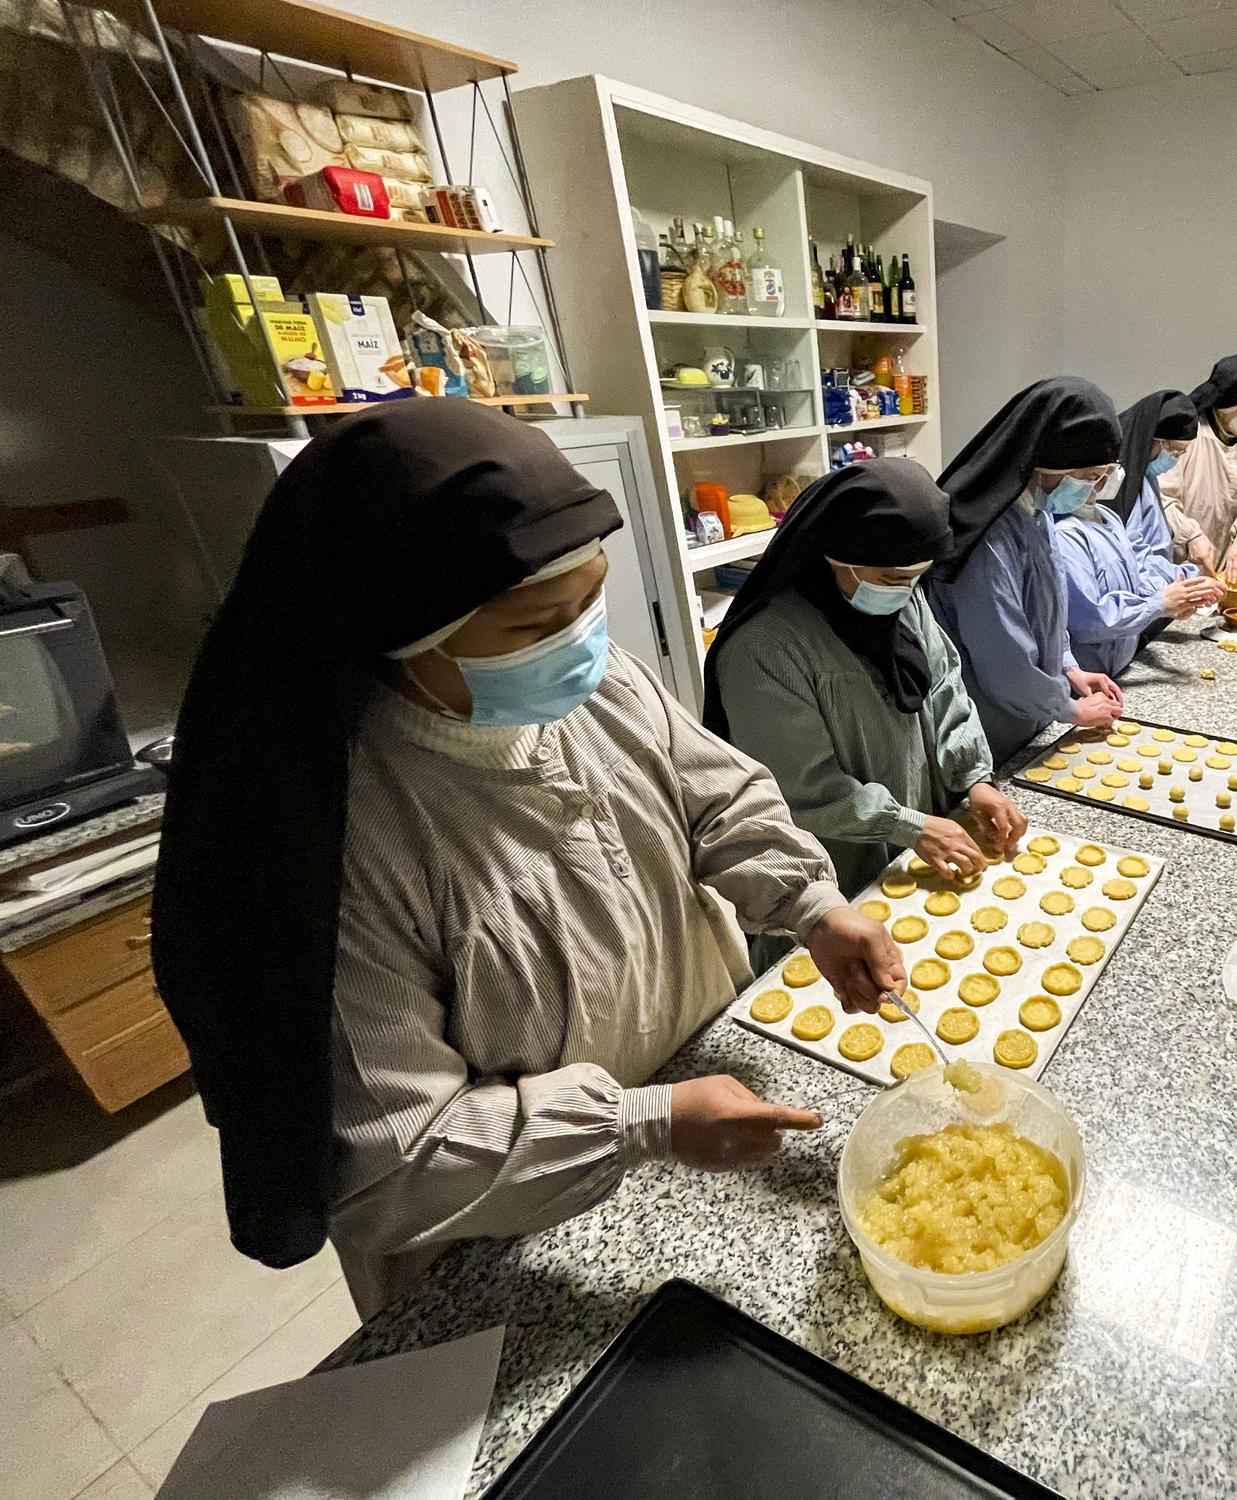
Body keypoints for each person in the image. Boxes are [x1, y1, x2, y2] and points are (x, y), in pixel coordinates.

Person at [151, 402, 904, 1314]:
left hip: (699, 1102)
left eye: (591, 597)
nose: (582, 640)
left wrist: (813, 906)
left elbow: (717, 795)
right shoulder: (343, 843)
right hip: (511, 1232)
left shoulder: (596, 680)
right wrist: (636, 1124)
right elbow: (396, 1154)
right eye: (532, 625)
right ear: (404, 637)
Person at [704, 457, 1029, 893]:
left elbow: (945, 689)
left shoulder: (901, 602)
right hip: (835, 861)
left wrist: (975, 780)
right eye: (892, 577)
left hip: (915, 841)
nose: (905, 590)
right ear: (837, 557)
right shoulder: (766, 647)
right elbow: (801, 788)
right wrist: (905, 824)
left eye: (918, 578)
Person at [926, 377, 1127, 764]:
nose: (1091, 491)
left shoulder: (1038, 511)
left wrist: (1069, 668)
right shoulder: (988, 537)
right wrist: (1070, 711)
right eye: (1086, 477)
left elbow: (1047, 610)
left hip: (1033, 713)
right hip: (991, 722)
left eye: (1100, 477)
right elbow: (1004, 665)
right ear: (1043, 462)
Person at [1053, 390, 1223, 676]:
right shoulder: (1065, 534)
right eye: (1094, 476)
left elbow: (1136, 574)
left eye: (1109, 471)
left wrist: (1185, 586)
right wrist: (1158, 604)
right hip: (1089, 675)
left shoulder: (1107, 518)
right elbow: (1090, 618)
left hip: (1119, 663)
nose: (1106, 481)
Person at [1158, 352, 1237, 584]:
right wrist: (1189, 535)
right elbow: (1161, 498)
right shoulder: (1188, 434)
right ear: (1225, 402)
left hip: (1229, 563)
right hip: (1180, 565)